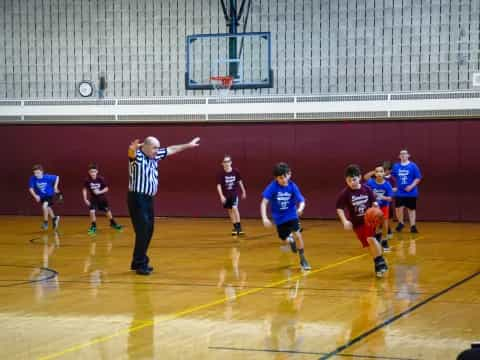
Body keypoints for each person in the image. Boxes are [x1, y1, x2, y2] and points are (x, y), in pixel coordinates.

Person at [127, 136, 200, 275]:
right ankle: (140, 263)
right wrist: (131, 149)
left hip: (148, 199)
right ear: (146, 147)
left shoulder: (155, 155)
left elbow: (172, 149)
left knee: (149, 230)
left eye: (158, 148)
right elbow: (131, 155)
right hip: (137, 198)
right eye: (154, 147)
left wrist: (188, 145)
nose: (157, 150)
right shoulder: (138, 157)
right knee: (143, 230)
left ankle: (138, 261)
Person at [336, 164, 388, 278]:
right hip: (357, 224)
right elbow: (339, 208)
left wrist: (376, 209)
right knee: (369, 245)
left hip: (369, 221)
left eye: (354, 179)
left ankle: (380, 263)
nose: (352, 182)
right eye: (349, 180)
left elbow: (374, 202)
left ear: (359, 177)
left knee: (371, 239)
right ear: (346, 180)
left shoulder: (367, 189)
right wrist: (345, 221)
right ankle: (378, 262)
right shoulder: (345, 193)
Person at [260, 162, 311, 271]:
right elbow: (264, 202)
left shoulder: (293, 186)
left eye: (285, 177)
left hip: (292, 215)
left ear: (289, 174)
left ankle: (303, 259)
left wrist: (300, 209)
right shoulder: (272, 187)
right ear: (276, 178)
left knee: (298, 235)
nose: (283, 180)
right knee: (284, 238)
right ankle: (290, 240)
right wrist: (264, 218)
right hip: (279, 219)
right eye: (280, 178)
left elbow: (302, 201)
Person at [82, 163, 123, 235]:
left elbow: (107, 188)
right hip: (93, 199)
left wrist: (99, 192)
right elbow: (84, 189)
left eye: (94, 171)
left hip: (102, 199)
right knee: (92, 211)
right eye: (91, 172)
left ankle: (113, 223)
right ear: (89, 172)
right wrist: (85, 199)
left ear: (97, 171)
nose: (93, 173)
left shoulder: (100, 179)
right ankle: (93, 226)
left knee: (107, 211)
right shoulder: (87, 180)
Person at [391, 149, 422, 233]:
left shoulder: (413, 166)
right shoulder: (396, 166)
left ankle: (413, 226)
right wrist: (393, 187)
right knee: (398, 208)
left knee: (411, 209)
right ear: (399, 156)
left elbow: (418, 178)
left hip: (411, 192)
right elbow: (391, 177)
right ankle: (401, 223)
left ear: (408, 155)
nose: (403, 155)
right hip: (399, 192)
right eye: (401, 154)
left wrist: (411, 186)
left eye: (405, 154)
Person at [216, 155, 247, 236]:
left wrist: (243, 191)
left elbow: (240, 182)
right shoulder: (221, 174)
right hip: (226, 195)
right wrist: (221, 196)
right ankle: (235, 227)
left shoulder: (236, 171)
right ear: (222, 164)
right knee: (230, 211)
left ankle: (239, 228)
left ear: (231, 162)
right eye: (225, 162)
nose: (227, 163)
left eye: (228, 161)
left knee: (235, 208)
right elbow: (218, 185)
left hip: (234, 194)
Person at [365, 164, 394, 252]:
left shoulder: (387, 184)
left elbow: (390, 198)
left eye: (381, 171)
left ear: (384, 173)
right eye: (377, 172)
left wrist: (381, 197)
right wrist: (373, 172)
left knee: (385, 223)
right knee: (375, 223)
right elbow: (365, 177)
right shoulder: (371, 182)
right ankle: (377, 236)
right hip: (374, 206)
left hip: (384, 206)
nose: (379, 173)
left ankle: (384, 240)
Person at [28, 164, 61, 231]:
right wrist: (35, 196)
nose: (36, 174)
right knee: (48, 208)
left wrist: (55, 186)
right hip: (41, 196)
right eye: (35, 173)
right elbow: (31, 188)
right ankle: (54, 218)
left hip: (50, 195)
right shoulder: (32, 178)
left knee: (44, 206)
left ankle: (45, 222)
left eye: (38, 173)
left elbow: (57, 177)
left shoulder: (47, 177)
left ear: (42, 172)